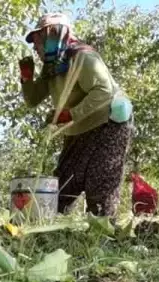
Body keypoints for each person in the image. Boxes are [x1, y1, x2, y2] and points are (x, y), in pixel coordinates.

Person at [20, 13, 133, 217]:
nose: (35, 48)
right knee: (62, 189)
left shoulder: (83, 57)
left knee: (100, 187)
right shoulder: (53, 66)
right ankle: (57, 233)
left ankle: (103, 237)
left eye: (38, 41)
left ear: (52, 35)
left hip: (107, 124)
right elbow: (33, 100)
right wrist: (26, 78)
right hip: (77, 128)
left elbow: (103, 91)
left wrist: (71, 114)